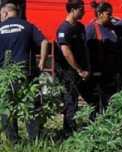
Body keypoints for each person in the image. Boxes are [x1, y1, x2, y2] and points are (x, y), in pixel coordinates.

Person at [0, 2, 48, 143]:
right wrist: (42, 63)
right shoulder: (28, 26)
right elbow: (44, 42)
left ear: (5, 13)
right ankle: (35, 140)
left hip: (6, 75)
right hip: (27, 73)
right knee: (31, 106)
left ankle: (13, 142)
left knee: (7, 107)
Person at [83, 1, 122, 114]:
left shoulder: (113, 28)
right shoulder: (91, 29)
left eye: (111, 14)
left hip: (113, 71)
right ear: (100, 13)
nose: (110, 16)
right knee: (97, 105)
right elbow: (86, 50)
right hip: (98, 73)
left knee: (112, 101)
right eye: (108, 14)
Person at [55, 0, 89, 134]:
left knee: (92, 98)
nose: (84, 12)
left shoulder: (80, 27)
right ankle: (69, 133)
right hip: (69, 72)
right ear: (73, 10)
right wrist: (78, 69)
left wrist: (87, 69)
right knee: (70, 102)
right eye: (81, 9)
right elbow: (66, 51)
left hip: (83, 72)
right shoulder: (64, 29)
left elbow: (85, 48)